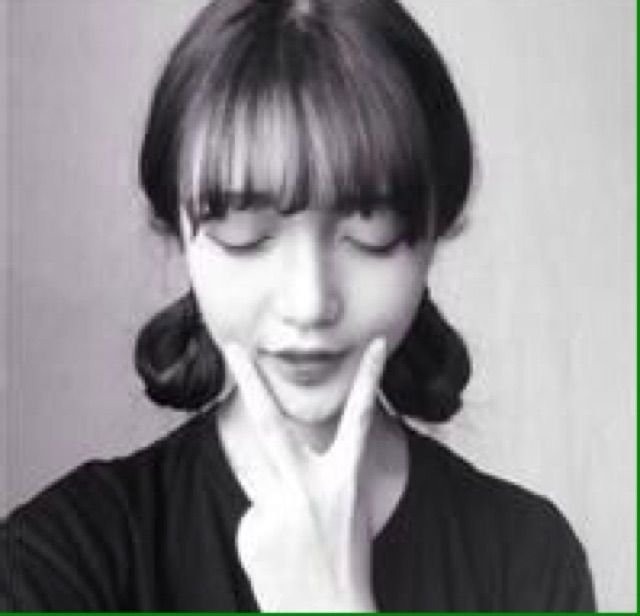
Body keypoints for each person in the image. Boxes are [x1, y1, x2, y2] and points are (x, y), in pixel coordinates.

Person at [0, 0, 596, 610]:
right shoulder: (57, 559)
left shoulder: (531, 561)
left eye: (370, 229)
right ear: (179, 231)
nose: (308, 303)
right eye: (245, 233)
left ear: (432, 233)